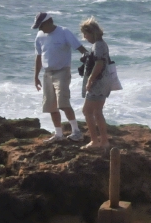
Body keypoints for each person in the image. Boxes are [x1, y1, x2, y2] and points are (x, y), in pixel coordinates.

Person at [32, 11, 87, 142]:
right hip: (47, 73)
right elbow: (39, 57)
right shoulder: (40, 36)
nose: (40, 29)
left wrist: (87, 59)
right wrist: (36, 76)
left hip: (62, 71)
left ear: (49, 22)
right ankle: (58, 134)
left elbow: (80, 48)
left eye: (41, 25)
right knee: (51, 105)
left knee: (63, 102)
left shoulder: (64, 32)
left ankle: (76, 132)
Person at [78, 17, 116, 150]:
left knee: (87, 111)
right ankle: (104, 141)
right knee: (97, 111)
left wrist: (90, 80)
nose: (85, 37)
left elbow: (99, 63)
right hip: (104, 81)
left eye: (86, 34)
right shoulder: (101, 44)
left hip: (98, 83)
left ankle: (94, 141)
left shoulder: (98, 45)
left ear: (91, 32)